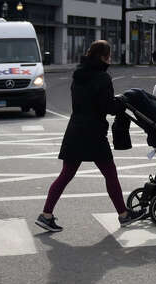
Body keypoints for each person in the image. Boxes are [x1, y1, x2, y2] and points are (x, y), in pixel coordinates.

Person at [36, 40, 137, 232]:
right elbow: (108, 107)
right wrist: (122, 103)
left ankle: (46, 215)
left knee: (65, 175)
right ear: (102, 57)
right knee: (110, 173)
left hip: (75, 130)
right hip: (94, 133)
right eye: (108, 55)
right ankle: (124, 215)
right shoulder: (102, 78)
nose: (110, 59)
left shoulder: (79, 75)